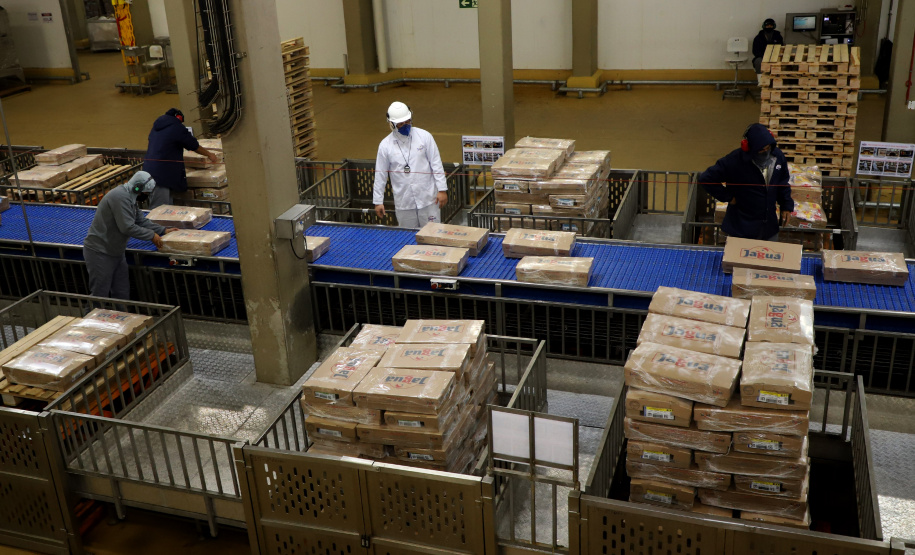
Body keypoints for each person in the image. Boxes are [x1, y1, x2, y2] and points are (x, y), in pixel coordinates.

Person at [83, 171, 178, 300]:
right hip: (100, 252)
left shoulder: (131, 198)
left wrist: (163, 230)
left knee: (121, 293)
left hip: (117, 252)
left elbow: (141, 221)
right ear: (137, 187)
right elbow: (127, 227)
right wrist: (152, 235)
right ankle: (90, 319)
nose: (145, 197)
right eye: (145, 193)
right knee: (100, 295)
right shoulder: (119, 197)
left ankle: (122, 318)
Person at [699, 123, 793, 241]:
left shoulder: (777, 156)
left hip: (769, 227)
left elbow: (782, 182)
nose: (765, 152)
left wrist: (786, 205)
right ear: (748, 148)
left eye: (768, 148)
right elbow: (706, 178)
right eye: (761, 150)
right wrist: (728, 197)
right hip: (742, 228)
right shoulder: (734, 161)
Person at [373, 101, 448, 228]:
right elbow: (380, 174)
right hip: (404, 202)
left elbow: (436, 163)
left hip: (428, 199)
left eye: (408, 121)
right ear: (392, 124)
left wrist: (442, 190)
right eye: (401, 124)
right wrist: (378, 201)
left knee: (433, 234)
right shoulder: (385, 146)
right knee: (407, 238)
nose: (405, 126)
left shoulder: (424, 136)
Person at [143, 108, 219, 209]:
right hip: (161, 175)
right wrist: (209, 155)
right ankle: (156, 225)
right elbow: (193, 145)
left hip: (150, 170)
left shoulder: (156, 127)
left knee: (166, 207)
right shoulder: (176, 127)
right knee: (160, 209)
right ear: (179, 118)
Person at [752, 19, 784, 85]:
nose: (769, 27)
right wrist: (765, 57)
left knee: (781, 62)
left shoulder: (778, 36)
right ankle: (761, 82)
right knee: (758, 62)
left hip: (776, 56)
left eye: (771, 25)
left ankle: (777, 82)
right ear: (764, 26)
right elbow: (755, 51)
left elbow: (782, 47)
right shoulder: (758, 37)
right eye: (767, 25)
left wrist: (774, 56)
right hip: (762, 56)